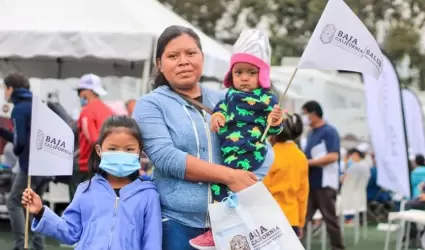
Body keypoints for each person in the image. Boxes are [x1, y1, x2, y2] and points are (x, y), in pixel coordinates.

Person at [132, 25, 275, 250]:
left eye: (191, 53)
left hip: (231, 223)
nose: (183, 61)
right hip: (176, 224)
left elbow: (263, 147)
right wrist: (230, 176)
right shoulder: (150, 105)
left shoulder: (228, 99)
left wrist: (248, 183)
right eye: (173, 56)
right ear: (159, 64)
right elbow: (167, 158)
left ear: (202, 57)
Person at [189, 29, 283, 248]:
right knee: (221, 189)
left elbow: (275, 130)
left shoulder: (267, 98)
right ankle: (225, 230)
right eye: (239, 72)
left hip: (250, 152)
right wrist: (218, 117)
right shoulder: (230, 95)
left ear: (261, 75)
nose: (244, 77)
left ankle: (226, 231)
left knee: (234, 191)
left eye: (251, 72)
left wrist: (276, 120)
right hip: (229, 153)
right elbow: (220, 109)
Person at [21, 115, 162, 249]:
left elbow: (152, 243)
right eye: (112, 149)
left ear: (139, 151)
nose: (121, 154)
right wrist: (41, 212)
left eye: (129, 149)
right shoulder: (86, 190)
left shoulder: (148, 194)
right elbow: (69, 232)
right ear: (99, 150)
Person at [0, 73, 48, 250]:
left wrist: (19, 153)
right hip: (46, 166)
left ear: (11, 89)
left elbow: (20, 142)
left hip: (30, 166)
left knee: (14, 201)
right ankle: (38, 246)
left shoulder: (19, 109)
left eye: (5, 89)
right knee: (36, 205)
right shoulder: (38, 105)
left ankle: (20, 246)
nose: (4, 92)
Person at [301, 100, 345, 250]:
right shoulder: (311, 133)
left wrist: (310, 162)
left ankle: (337, 247)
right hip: (310, 182)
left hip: (325, 183)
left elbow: (333, 156)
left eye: (305, 114)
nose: (304, 118)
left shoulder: (329, 131)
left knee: (330, 218)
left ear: (313, 114)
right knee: (303, 218)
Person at [263, 113, 308, 238]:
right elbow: (303, 194)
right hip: (292, 218)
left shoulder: (269, 154)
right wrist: (300, 222)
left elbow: (263, 188)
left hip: (270, 217)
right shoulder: (301, 157)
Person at [69, 74, 114, 199]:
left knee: (78, 207)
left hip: (85, 167)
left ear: (88, 91)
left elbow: (93, 140)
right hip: (105, 167)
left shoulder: (87, 111)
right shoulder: (109, 111)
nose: (79, 95)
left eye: (79, 91)